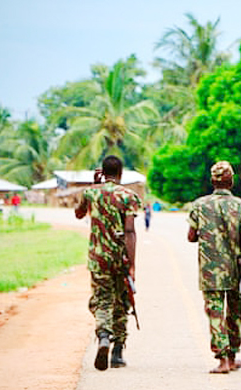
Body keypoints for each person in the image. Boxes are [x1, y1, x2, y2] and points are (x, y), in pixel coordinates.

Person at [74, 155, 141, 371]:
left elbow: (78, 214)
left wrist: (94, 184)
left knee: (102, 300)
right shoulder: (128, 196)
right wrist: (132, 264)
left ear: (102, 172)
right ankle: (118, 352)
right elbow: (130, 231)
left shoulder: (91, 193)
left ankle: (103, 335)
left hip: (98, 258)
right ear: (121, 173)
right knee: (122, 301)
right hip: (120, 258)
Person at [187, 161, 241, 374]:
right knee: (234, 312)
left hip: (210, 269)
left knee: (215, 312)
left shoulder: (199, 205)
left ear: (212, 181)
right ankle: (233, 357)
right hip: (236, 267)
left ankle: (222, 359)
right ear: (231, 181)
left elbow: (191, 236)